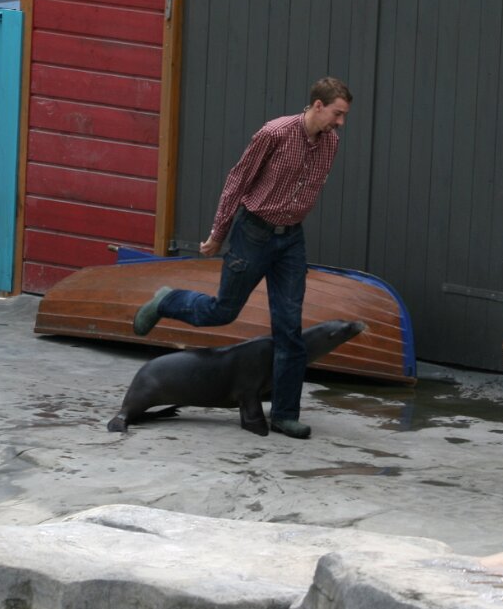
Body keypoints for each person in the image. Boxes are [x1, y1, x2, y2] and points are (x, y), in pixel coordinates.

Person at [132, 77, 353, 439]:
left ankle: (284, 414)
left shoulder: (331, 143)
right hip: (253, 233)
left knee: (289, 330)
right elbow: (237, 181)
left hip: (291, 239)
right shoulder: (274, 133)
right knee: (223, 311)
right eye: (337, 113)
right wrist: (218, 233)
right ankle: (167, 301)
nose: (341, 122)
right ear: (317, 105)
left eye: (344, 115)